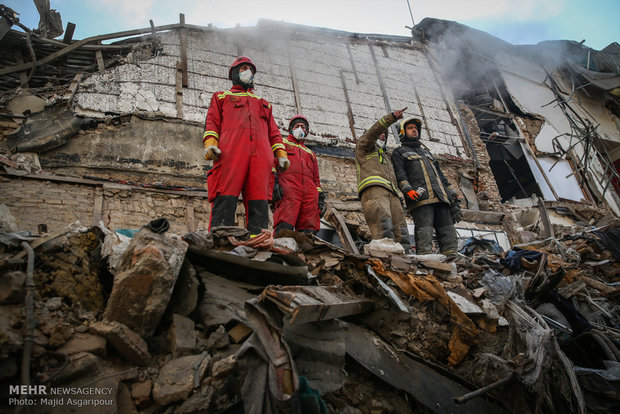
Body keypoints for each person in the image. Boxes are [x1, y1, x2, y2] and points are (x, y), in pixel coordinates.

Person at [203, 56, 289, 235]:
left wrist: (281, 154)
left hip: (261, 157)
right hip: (230, 154)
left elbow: (274, 132)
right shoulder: (222, 97)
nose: (248, 72)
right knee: (225, 195)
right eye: (243, 68)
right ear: (234, 73)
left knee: (259, 201)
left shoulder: (264, 104)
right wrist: (210, 144)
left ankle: (256, 242)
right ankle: (220, 240)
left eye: (250, 70)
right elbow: (212, 122)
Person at [391, 117, 462, 255]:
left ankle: (453, 258)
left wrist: (452, 196)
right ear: (402, 132)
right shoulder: (399, 152)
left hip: (441, 198)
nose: (414, 130)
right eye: (410, 128)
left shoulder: (427, 153)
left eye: (416, 128)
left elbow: (442, 178)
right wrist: (408, 191)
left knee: (448, 231)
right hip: (421, 199)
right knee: (425, 231)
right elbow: (400, 175)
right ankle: (426, 259)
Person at [355, 108, 411, 251]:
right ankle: (386, 265)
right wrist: (391, 118)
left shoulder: (386, 157)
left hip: (392, 194)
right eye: (381, 133)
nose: (383, 136)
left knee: (402, 233)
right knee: (383, 229)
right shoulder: (363, 146)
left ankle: (405, 266)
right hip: (374, 191)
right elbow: (372, 132)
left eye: (385, 135)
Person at [271, 115, 325, 235]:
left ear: (306, 131)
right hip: (288, 191)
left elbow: (316, 180)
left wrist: (320, 198)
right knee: (284, 224)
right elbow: (272, 164)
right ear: (290, 129)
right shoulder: (282, 144)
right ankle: (283, 251)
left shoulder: (311, 154)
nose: (300, 128)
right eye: (297, 126)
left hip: (310, 196)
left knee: (309, 229)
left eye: (302, 127)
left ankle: (306, 253)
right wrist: (273, 183)